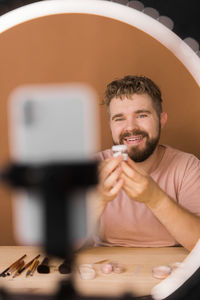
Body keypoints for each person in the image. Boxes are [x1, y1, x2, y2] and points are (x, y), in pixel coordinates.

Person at [92, 75, 200, 251]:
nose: (130, 127)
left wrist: (155, 199)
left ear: (162, 120)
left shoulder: (187, 166)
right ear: (111, 125)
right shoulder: (94, 166)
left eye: (141, 115)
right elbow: (62, 246)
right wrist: (98, 199)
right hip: (107, 269)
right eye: (119, 119)